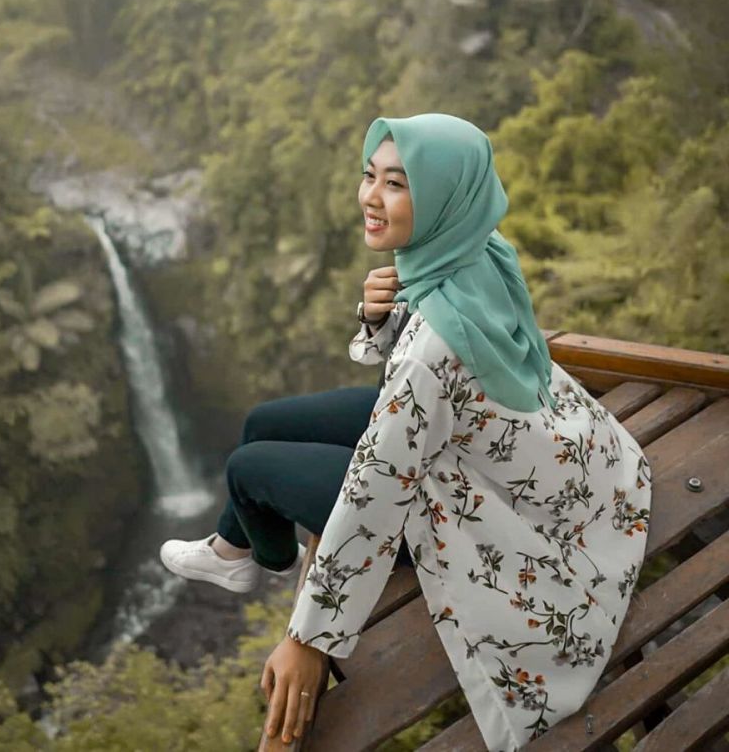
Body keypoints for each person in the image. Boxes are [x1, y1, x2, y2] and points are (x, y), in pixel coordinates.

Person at [157, 113, 652, 750]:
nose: (371, 196)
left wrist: (308, 637)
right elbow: (425, 375)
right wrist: (377, 317)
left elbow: (374, 494)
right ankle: (233, 552)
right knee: (262, 424)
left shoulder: (430, 352)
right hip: (476, 446)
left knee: (246, 467)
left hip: (458, 502)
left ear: (443, 197)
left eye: (397, 183)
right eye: (370, 176)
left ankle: (266, 556)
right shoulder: (478, 251)